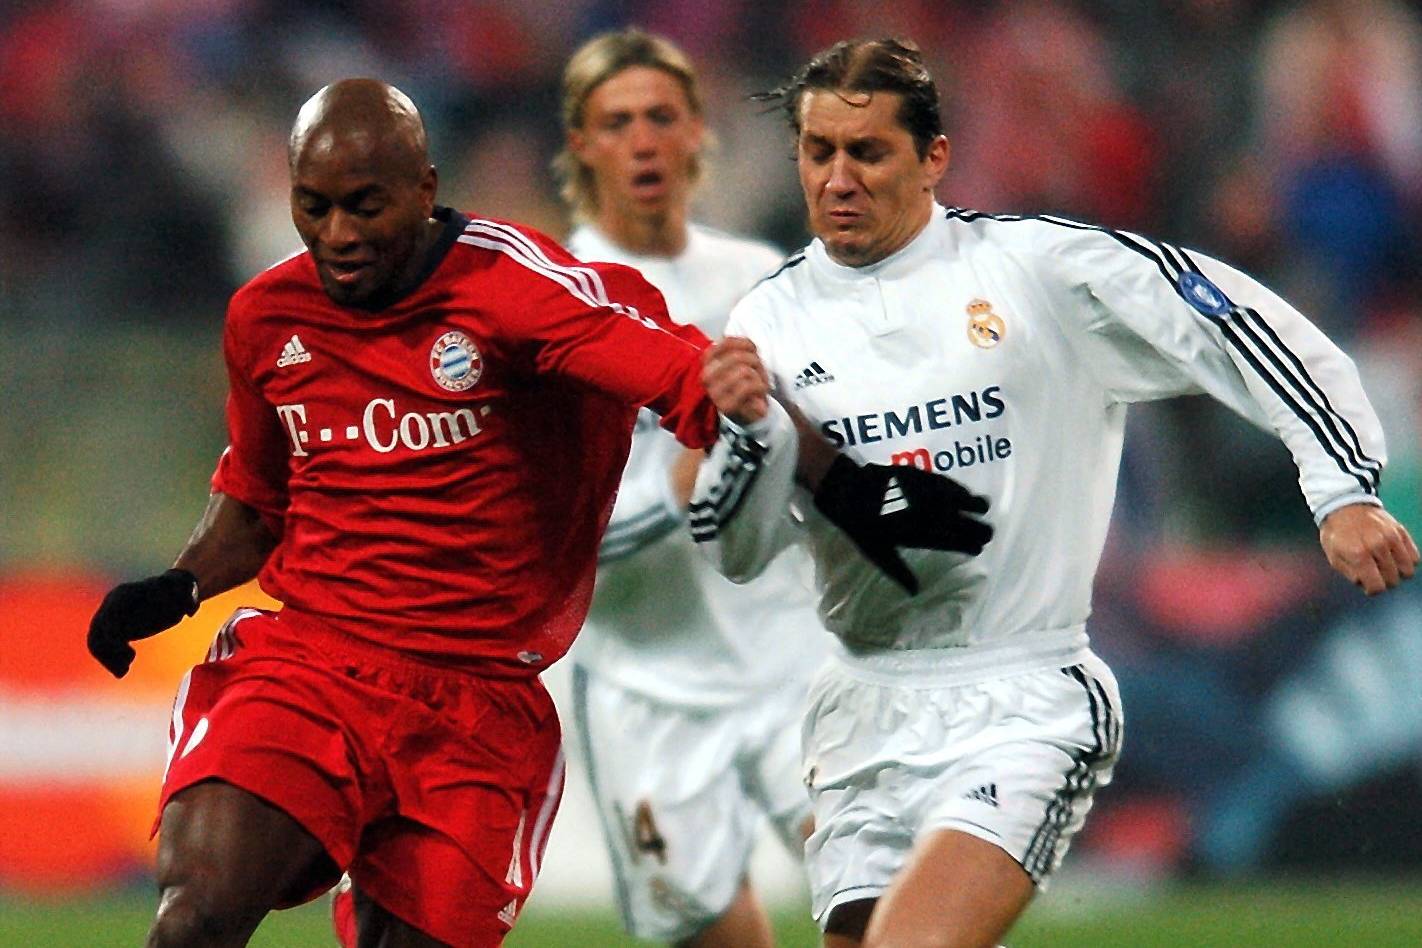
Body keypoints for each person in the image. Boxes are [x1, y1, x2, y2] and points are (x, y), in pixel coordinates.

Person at [687, 38, 1419, 948]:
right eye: (817, 151)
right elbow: (742, 550)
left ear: (934, 159)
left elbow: (1235, 322)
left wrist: (1340, 487)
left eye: (867, 151)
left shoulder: (1037, 270)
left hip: (1021, 693)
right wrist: (751, 437)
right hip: (861, 708)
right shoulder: (768, 320)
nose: (837, 176)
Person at [84, 78, 736, 948]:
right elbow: (257, 501)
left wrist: (825, 473)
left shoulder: (518, 291)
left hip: (477, 708)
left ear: (426, 189)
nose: (339, 236)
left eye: (366, 206)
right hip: (312, 665)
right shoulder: (266, 318)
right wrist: (175, 586)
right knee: (193, 916)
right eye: (313, 208)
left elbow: (698, 380)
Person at [555, 29, 828, 947]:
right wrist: (676, 489)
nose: (642, 140)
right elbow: (554, 535)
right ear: (581, 144)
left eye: (661, 116)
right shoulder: (549, 303)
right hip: (647, 685)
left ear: (695, 132)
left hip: (795, 662)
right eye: (617, 121)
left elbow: (816, 457)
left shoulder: (759, 279)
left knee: (891, 913)